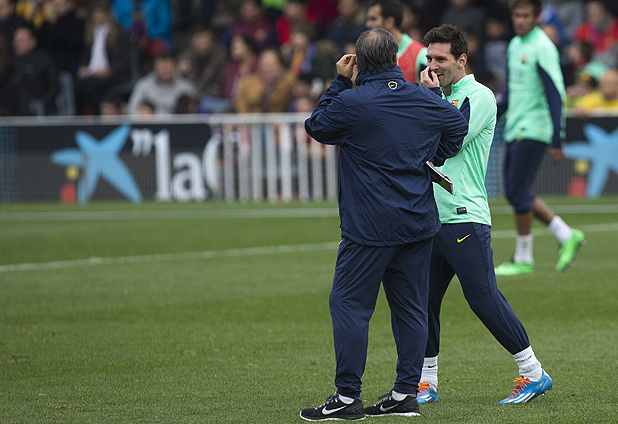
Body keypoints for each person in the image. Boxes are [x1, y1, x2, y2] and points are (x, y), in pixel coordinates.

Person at [300, 28, 467, 421]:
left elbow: (316, 126)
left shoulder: (352, 101)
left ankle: (347, 398)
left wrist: (339, 81)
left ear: (359, 62)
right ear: (395, 58)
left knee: (349, 305)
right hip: (417, 223)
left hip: (369, 227)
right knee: (410, 308)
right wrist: (432, 149)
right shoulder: (422, 97)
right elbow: (456, 126)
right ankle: (405, 393)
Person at [414, 23, 553, 406]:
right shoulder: (438, 95)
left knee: (482, 297)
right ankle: (426, 382)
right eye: (429, 58)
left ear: (462, 60)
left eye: (441, 59)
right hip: (431, 216)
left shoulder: (479, 96)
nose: (433, 65)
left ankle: (533, 372)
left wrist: (428, 100)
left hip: (464, 215)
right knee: (423, 300)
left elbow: (450, 141)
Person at [494, 0, 585, 276]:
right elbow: (511, 92)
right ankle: (565, 234)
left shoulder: (543, 47)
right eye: (517, 15)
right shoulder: (514, 45)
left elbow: (555, 93)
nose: (520, 20)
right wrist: (490, 115)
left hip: (534, 128)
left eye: (526, 15)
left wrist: (558, 137)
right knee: (516, 191)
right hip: (515, 126)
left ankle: (524, 257)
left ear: (537, 18)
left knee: (517, 190)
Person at [365, 0, 426, 84]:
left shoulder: (421, 55)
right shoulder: (367, 54)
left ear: (389, 22)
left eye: (373, 19)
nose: (367, 24)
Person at [4, 24, 59, 115]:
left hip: (40, 108)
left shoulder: (43, 60)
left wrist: (43, 103)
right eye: (16, 41)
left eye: (21, 41)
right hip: (13, 111)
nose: (17, 44)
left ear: (32, 42)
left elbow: (54, 85)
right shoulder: (9, 62)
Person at [126, 52, 195, 115]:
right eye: (161, 67)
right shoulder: (143, 85)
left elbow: (195, 111)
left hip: (179, 123)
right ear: (155, 68)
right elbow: (132, 108)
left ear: (175, 68)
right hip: (151, 123)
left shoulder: (185, 87)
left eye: (167, 67)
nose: (164, 71)